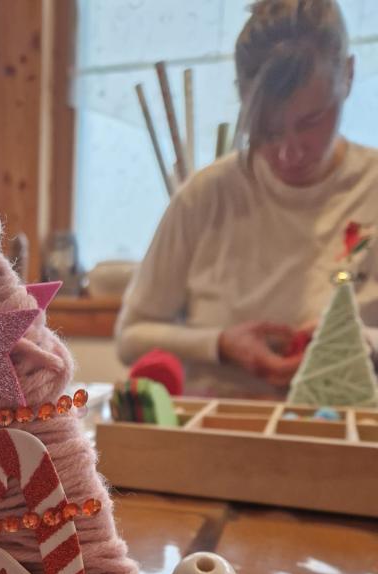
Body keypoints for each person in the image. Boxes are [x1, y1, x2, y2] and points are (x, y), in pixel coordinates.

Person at [116, 0, 378, 397]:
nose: (289, 152)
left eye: (311, 121)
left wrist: (353, 341)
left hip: (342, 431)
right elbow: (130, 336)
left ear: (348, 74)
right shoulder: (205, 197)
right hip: (215, 428)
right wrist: (220, 344)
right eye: (267, 130)